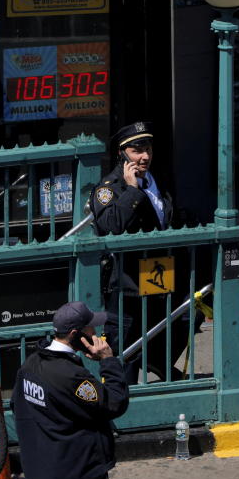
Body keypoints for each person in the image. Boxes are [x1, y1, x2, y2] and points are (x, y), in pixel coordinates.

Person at [12, 301, 130, 479]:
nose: (96, 335)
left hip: (50, 468)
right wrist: (107, 361)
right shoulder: (73, 376)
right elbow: (115, 403)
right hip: (82, 469)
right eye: (90, 329)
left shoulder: (31, 365)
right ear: (76, 334)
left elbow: (19, 408)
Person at [90, 121, 198, 383]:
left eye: (147, 148)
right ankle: (124, 400)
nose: (145, 156)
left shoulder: (155, 180)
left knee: (185, 317)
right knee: (127, 342)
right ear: (122, 152)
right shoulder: (109, 187)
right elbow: (110, 226)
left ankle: (157, 362)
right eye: (137, 150)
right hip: (129, 282)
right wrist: (131, 191)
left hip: (162, 274)